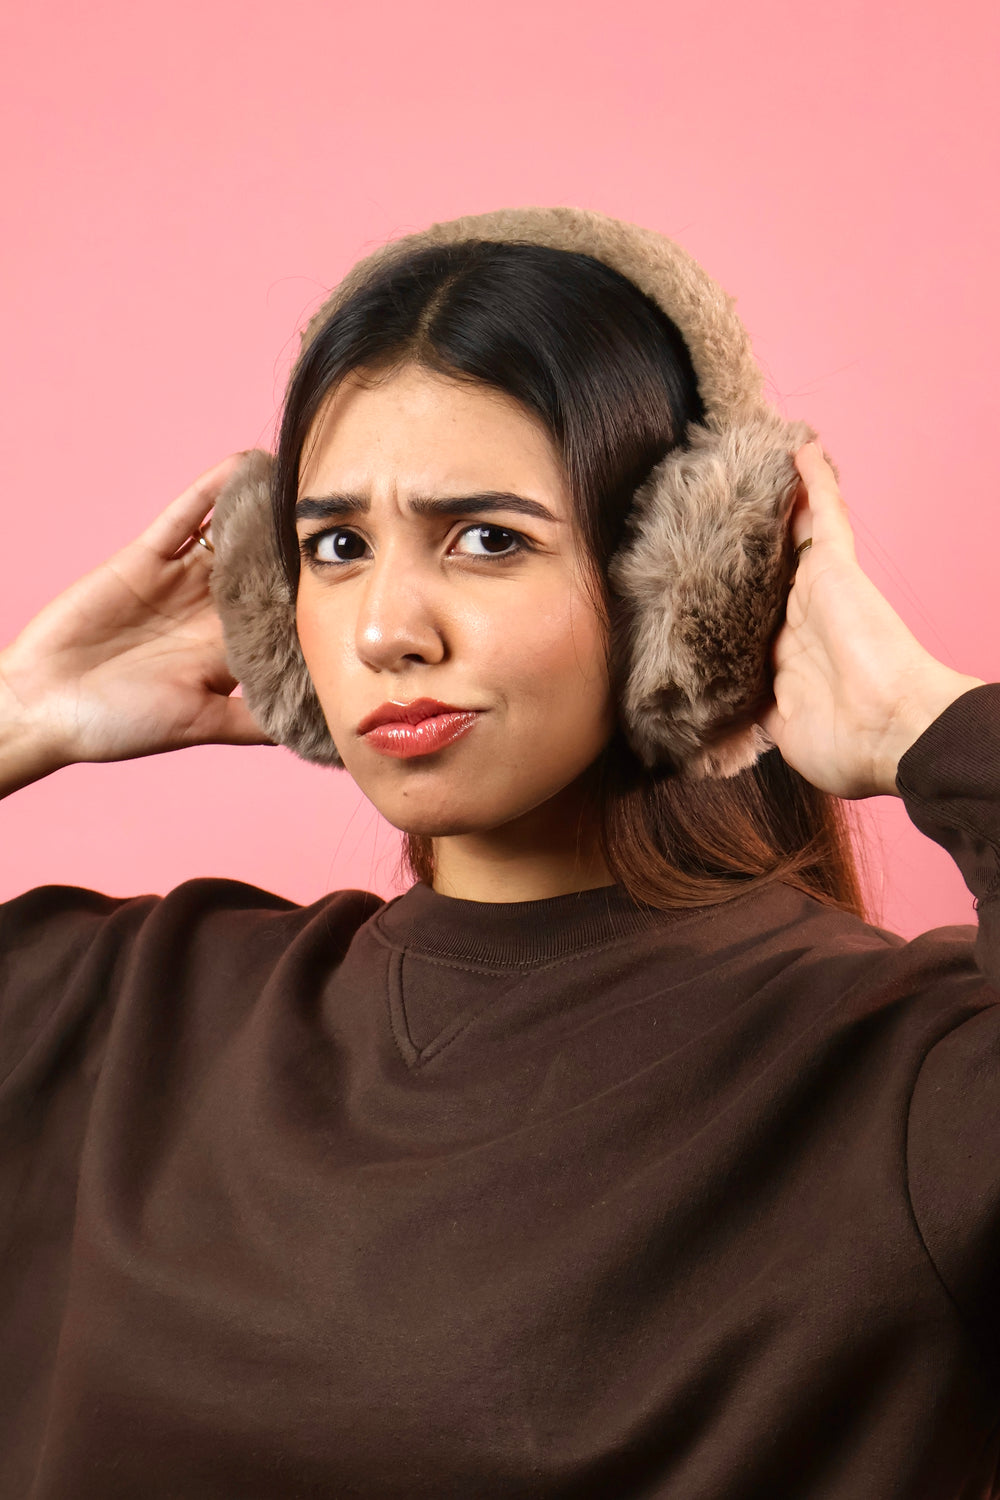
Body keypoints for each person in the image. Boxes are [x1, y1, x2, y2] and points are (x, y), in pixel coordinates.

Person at [0, 216, 997, 1500]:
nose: (384, 630)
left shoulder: (902, 1073)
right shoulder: (118, 1007)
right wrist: (21, 713)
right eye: (336, 546)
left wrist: (926, 728)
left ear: (685, 589)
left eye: (485, 538)